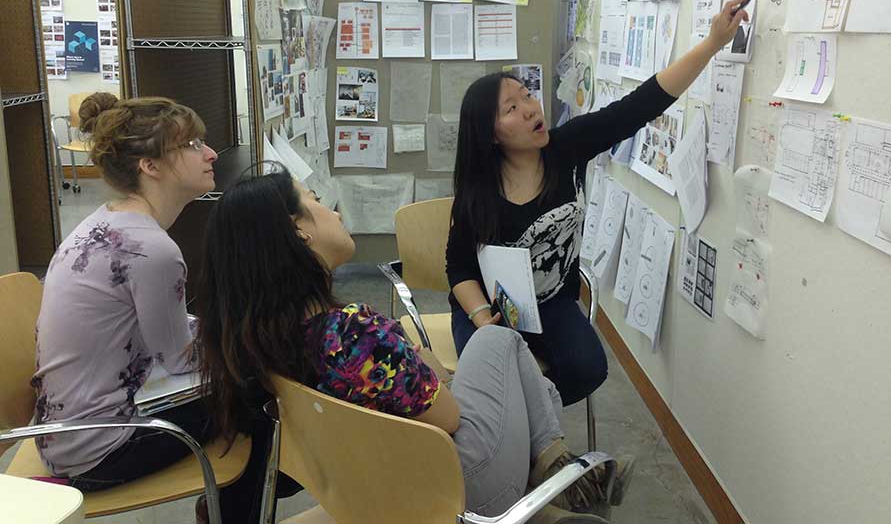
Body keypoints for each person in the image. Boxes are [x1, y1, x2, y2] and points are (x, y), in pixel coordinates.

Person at [196, 169, 635, 524]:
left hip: (377, 485)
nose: (331, 209)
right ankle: (562, 476)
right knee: (498, 340)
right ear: (299, 233)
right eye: (314, 199)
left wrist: (422, 366)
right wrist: (430, 366)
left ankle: (553, 499)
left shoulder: (263, 340)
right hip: (453, 490)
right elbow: (447, 415)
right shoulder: (350, 334)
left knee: (516, 378)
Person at [447, 0, 750, 406]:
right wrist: (484, 322)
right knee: (493, 383)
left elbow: (642, 104)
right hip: (489, 308)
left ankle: (534, 428)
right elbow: (460, 267)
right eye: (511, 109)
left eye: (526, 96)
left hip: (552, 302)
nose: (531, 109)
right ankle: (538, 449)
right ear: (491, 135)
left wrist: (713, 42)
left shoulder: (567, 147)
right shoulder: (479, 189)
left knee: (588, 368)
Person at [31, 94, 292, 523]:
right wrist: (258, 337)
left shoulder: (106, 221)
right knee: (260, 395)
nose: (210, 153)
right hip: (97, 452)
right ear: (149, 166)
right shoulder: (152, 250)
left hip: (62, 435)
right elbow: (180, 358)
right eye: (191, 146)